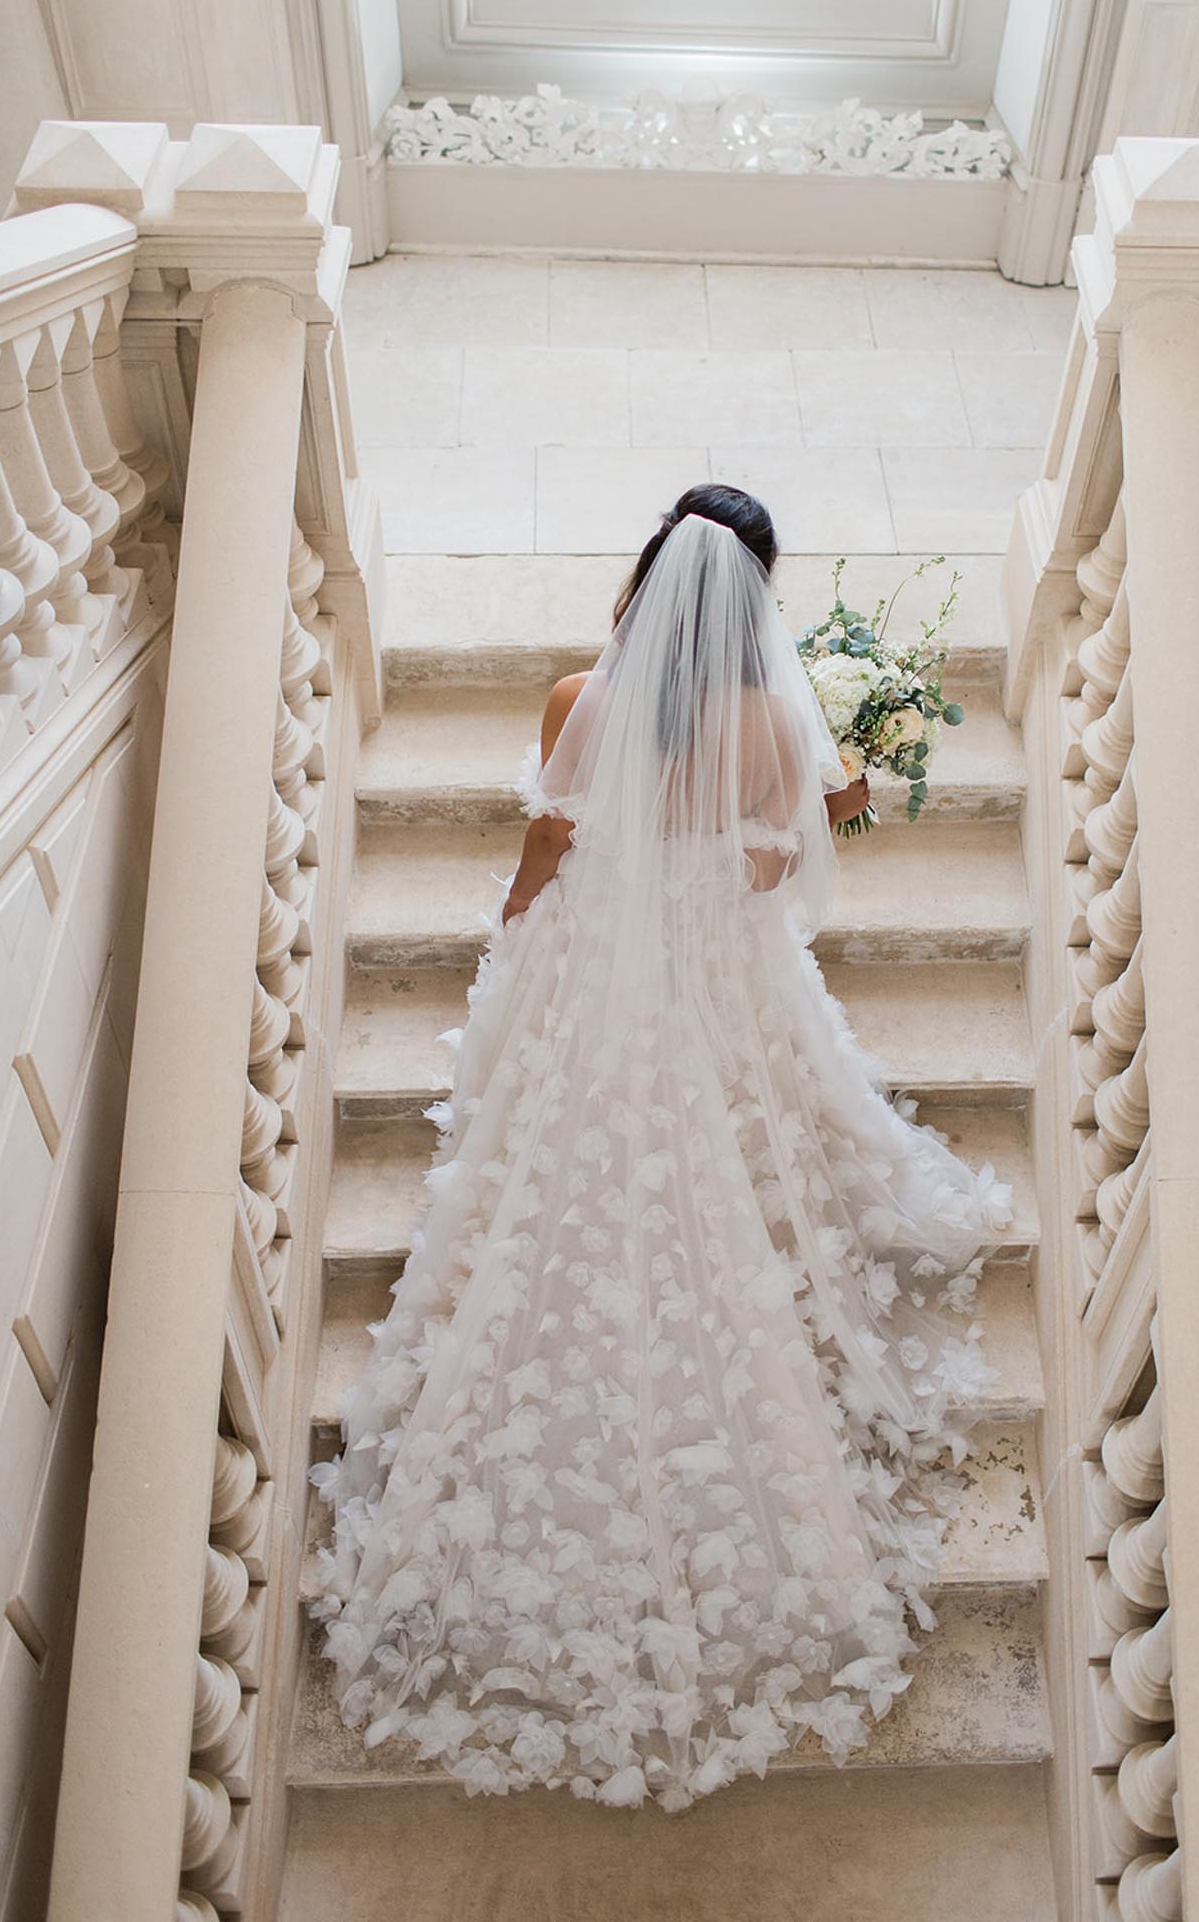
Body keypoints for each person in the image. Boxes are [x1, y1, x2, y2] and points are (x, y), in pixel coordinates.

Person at [309, 484, 1013, 1811]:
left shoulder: (578, 698)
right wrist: (854, 766)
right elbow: (803, 850)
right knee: (749, 1121)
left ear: (647, 577)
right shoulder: (774, 722)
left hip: (599, 963)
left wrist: (518, 933)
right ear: (756, 600)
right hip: (711, 964)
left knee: (546, 1174)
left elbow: (545, 845)